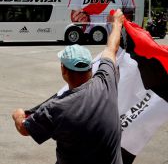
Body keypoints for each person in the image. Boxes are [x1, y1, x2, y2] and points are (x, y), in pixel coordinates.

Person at [12, 9, 124, 164]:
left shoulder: (55, 109)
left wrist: (17, 116)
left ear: (63, 70)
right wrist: (117, 24)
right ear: (91, 69)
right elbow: (112, 48)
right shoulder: (105, 82)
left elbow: (24, 129)